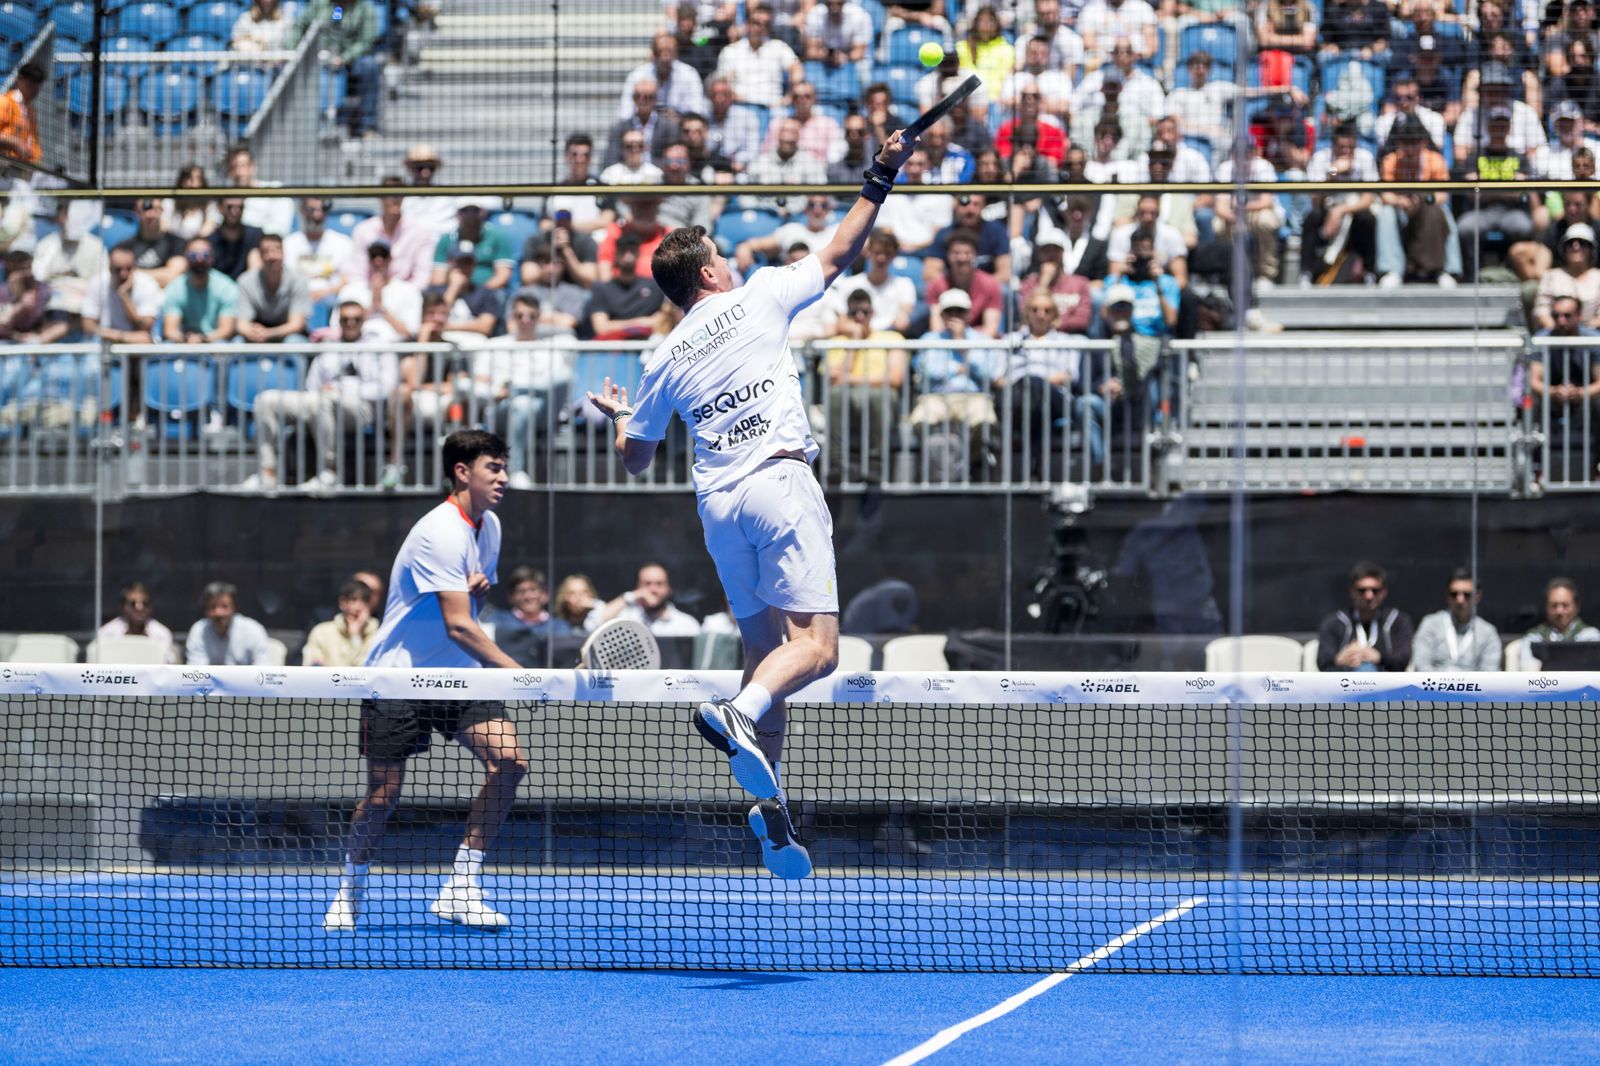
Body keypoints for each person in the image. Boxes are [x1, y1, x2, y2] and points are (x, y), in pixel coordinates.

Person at [587, 126, 923, 881]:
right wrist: (880, 175)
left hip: (719, 510)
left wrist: (622, 420)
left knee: (765, 653)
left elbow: (637, 459)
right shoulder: (760, 294)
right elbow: (839, 254)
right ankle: (738, 713)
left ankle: (772, 815)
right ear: (708, 273)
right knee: (818, 650)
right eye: (724, 257)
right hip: (777, 486)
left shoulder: (661, 357)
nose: (733, 261)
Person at [323, 430, 529, 932]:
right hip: (399, 678)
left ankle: (461, 887)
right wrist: (520, 676)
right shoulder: (441, 531)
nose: (503, 478)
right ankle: (350, 888)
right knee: (382, 796)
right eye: (493, 469)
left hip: (458, 678)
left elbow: (470, 611)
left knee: (510, 762)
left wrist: (477, 592)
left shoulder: (491, 527)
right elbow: (459, 625)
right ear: (462, 472)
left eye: (504, 468)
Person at [242, 296, 398, 492]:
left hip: (363, 409)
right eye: (345, 319)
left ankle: (330, 471)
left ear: (364, 320)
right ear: (338, 321)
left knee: (322, 399)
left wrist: (341, 391)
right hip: (321, 401)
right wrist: (327, 393)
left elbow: (386, 388)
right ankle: (267, 472)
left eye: (356, 319)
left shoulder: (380, 346)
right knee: (266, 400)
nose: (351, 324)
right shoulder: (328, 346)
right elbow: (312, 384)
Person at [287, 0, 383, 138]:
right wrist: (291, 51)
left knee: (370, 66)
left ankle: (366, 125)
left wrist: (345, 57)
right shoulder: (319, 4)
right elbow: (299, 26)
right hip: (317, 56)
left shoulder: (365, 9)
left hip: (350, 59)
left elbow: (366, 41)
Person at [1315, 561, 1415, 672]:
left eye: (1375, 590)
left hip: (1387, 685)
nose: (1369, 596)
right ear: (1352, 592)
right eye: (1362, 590)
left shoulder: (1398, 621)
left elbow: (1402, 661)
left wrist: (1379, 658)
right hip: (1344, 685)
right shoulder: (1334, 622)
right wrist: (1339, 659)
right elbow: (1323, 662)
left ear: (1384, 592)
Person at [1410, 568, 1503, 672]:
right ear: (1447, 596)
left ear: (1477, 596)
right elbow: (1422, 666)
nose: (1460, 600)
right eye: (1454, 594)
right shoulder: (1430, 624)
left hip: (1473, 687)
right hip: (1435, 686)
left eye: (1466, 594)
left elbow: (1490, 674)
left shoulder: (1488, 632)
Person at [348, 178, 436, 287]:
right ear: (380, 197)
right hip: (369, 290)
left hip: (406, 294)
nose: (395, 199)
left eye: (399, 194)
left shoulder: (421, 232)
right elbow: (357, 275)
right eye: (389, 193)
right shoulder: (363, 230)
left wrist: (399, 294)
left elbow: (422, 278)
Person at [233, 234, 311, 343]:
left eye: (276, 250)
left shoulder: (298, 281)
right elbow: (241, 324)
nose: (272, 256)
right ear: (260, 256)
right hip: (255, 335)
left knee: (295, 342)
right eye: (266, 251)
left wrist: (268, 333)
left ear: (284, 253)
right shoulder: (245, 281)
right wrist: (253, 333)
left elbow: (297, 324)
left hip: (286, 335)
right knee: (237, 342)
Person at [161, 237, 239, 344]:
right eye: (193, 255)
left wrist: (203, 339)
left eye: (205, 255)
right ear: (186, 258)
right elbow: (170, 330)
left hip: (215, 342)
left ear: (212, 258)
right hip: (185, 343)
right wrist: (186, 339)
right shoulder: (175, 288)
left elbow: (226, 329)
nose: (199, 259)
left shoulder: (226, 287)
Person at [282, 197, 355, 310]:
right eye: (312, 210)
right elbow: (288, 280)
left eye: (322, 209)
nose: (317, 215)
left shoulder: (343, 243)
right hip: (297, 300)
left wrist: (323, 293)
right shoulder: (289, 244)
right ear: (302, 211)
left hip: (333, 301)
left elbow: (345, 279)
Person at [83, 246, 162, 344]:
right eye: (118, 269)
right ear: (109, 268)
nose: (123, 274)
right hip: (107, 341)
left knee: (142, 342)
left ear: (135, 267)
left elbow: (145, 327)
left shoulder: (148, 284)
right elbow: (88, 325)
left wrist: (125, 297)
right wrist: (121, 336)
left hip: (137, 346)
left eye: (128, 269)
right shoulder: (97, 283)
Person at [1518, 577, 1600, 671]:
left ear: (1576, 607)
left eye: (1565, 605)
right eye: (1554, 605)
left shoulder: (1591, 636)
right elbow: (1530, 676)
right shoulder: (1534, 638)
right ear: (1546, 607)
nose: (1559, 611)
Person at [599, 563, 703, 635]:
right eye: (647, 584)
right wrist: (630, 596)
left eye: (659, 584)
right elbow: (599, 620)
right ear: (637, 587)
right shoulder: (626, 617)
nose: (653, 589)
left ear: (669, 589)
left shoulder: (686, 624)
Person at [184, 581, 272, 665]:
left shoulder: (253, 630)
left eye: (225, 606)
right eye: (212, 607)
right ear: (205, 610)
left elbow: (263, 669)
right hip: (209, 681)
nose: (219, 613)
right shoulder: (199, 630)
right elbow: (195, 673)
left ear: (234, 608)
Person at [301, 580, 380, 667]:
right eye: (353, 600)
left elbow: (365, 673)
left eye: (364, 602)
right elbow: (312, 670)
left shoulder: (378, 635)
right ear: (342, 602)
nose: (358, 607)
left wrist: (355, 637)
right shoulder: (321, 633)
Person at [96, 581, 178, 664]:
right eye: (132, 604)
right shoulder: (107, 633)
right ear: (123, 607)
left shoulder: (162, 634)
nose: (139, 608)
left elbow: (168, 667)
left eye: (145, 604)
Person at [483, 566, 571, 642]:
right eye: (521, 591)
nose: (528, 597)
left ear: (545, 595)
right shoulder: (498, 621)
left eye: (533, 590)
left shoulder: (558, 626)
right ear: (511, 597)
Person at [119, 198, 187, 288]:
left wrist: (134, 274)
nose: (150, 215)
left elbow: (172, 277)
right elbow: (120, 277)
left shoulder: (176, 243)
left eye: (154, 209)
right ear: (136, 212)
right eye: (145, 209)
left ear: (162, 210)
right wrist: (162, 273)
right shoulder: (125, 246)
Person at [209, 197, 263, 281]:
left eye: (240, 207)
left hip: (246, 289)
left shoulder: (255, 235)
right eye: (230, 207)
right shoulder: (210, 239)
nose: (235, 211)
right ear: (220, 208)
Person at [0, 62, 43, 163]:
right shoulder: (4, 102)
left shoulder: (31, 111)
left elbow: (34, 143)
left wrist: (36, 159)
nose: (34, 90)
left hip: (23, 167)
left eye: (37, 85)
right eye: (30, 84)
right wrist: (13, 142)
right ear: (19, 79)